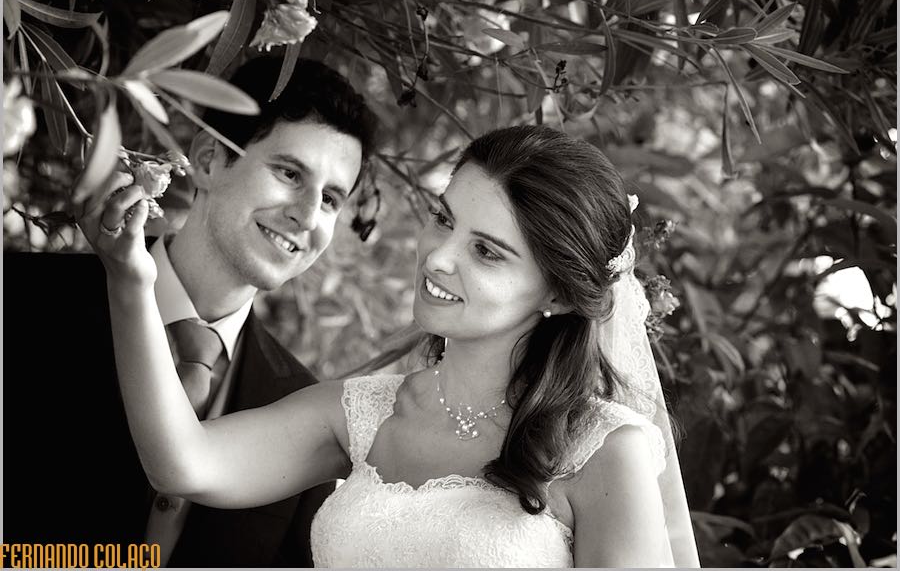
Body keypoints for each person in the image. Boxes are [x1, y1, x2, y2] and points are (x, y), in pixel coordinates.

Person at [81, 125, 700, 567]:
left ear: (559, 296)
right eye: (444, 218)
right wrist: (130, 281)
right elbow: (182, 463)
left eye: (486, 251)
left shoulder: (601, 450)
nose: (438, 256)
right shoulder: (357, 411)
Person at [2, 56, 377, 567]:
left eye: (331, 199)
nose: (307, 216)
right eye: (290, 173)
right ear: (207, 159)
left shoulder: (303, 409)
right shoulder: (20, 299)